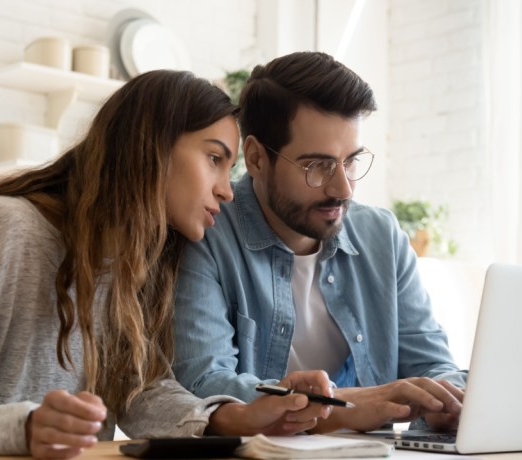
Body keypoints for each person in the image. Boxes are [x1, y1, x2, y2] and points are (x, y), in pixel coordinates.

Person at [0, 70, 335, 459]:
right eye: (214, 158)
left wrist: (237, 417)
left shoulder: (138, 263)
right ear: (150, 147)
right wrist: (24, 427)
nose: (227, 190)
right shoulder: (11, 229)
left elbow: (140, 393)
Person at [172, 52, 467, 433]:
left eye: (351, 161)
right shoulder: (204, 233)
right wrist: (343, 408)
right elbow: (203, 384)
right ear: (258, 159)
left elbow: (433, 364)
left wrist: (446, 401)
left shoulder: (382, 237)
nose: (343, 188)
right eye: (318, 165)